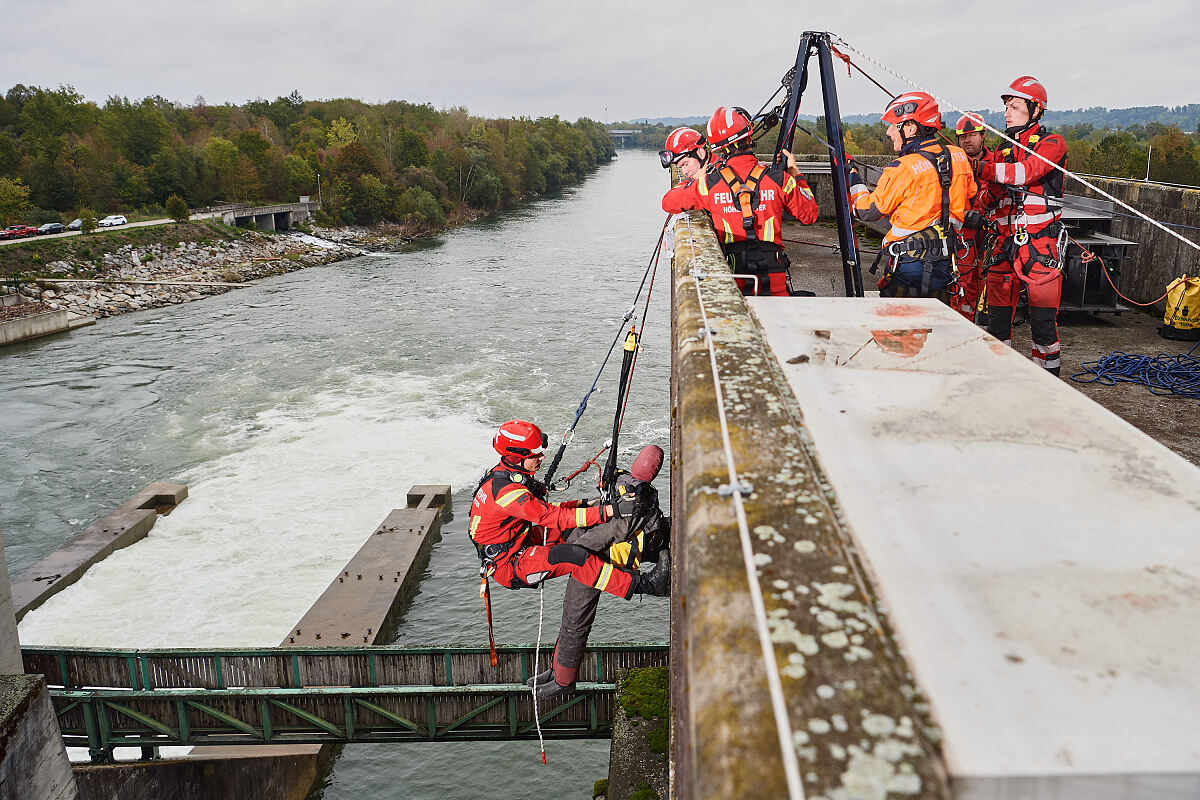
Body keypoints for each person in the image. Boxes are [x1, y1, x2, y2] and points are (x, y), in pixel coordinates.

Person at [469, 421, 670, 697]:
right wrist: (610, 510)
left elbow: (553, 512)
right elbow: (550, 516)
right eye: (535, 455)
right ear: (517, 456)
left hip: (522, 542)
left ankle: (559, 671)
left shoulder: (504, 475)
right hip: (511, 563)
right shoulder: (507, 492)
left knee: (577, 536)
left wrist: (591, 505)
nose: (541, 458)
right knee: (575, 557)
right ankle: (645, 585)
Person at [527, 444, 670, 699]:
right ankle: (556, 671)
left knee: (575, 620)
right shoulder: (626, 487)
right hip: (593, 550)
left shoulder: (631, 494)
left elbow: (613, 530)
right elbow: (607, 527)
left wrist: (576, 553)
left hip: (596, 556)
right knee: (571, 620)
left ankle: (563, 680)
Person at [661, 106, 819, 296]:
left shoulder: (709, 185)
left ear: (716, 148)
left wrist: (693, 181)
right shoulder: (779, 179)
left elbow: (668, 202)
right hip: (774, 281)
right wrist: (795, 173)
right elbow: (810, 214)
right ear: (750, 138)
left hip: (734, 281)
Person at [975, 76, 1067, 375]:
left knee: (1043, 326)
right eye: (1006, 107)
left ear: (1035, 110)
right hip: (1004, 248)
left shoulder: (1052, 143)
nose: (1006, 112)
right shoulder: (1002, 151)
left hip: (1041, 249)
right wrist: (990, 191)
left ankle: (1047, 381)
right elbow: (989, 197)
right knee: (997, 324)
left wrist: (983, 168)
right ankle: (998, 378)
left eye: (1014, 106)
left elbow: (1028, 171)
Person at [848, 92, 976, 300]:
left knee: (897, 328)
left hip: (909, 267)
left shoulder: (903, 168)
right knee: (934, 324)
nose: (889, 132)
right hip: (944, 264)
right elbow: (969, 193)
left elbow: (867, 211)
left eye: (893, 125)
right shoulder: (959, 156)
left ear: (910, 127)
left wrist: (854, 180)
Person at [954, 113, 994, 323]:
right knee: (961, 282)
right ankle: (960, 323)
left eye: (971, 135)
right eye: (962, 136)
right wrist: (965, 215)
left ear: (983, 135)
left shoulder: (996, 163)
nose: (966, 140)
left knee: (983, 282)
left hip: (989, 235)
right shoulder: (954, 164)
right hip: (964, 233)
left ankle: (974, 322)